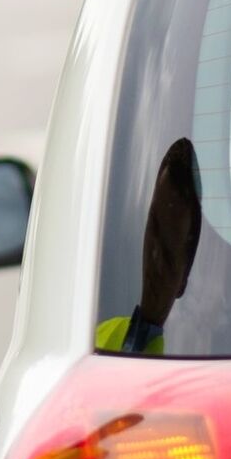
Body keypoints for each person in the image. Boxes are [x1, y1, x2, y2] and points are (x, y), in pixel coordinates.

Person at [96, 138, 203, 355]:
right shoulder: (100, 334)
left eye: (168, 252)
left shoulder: (180, 358)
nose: (155, 256)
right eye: (154, 229)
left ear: (184, 280)